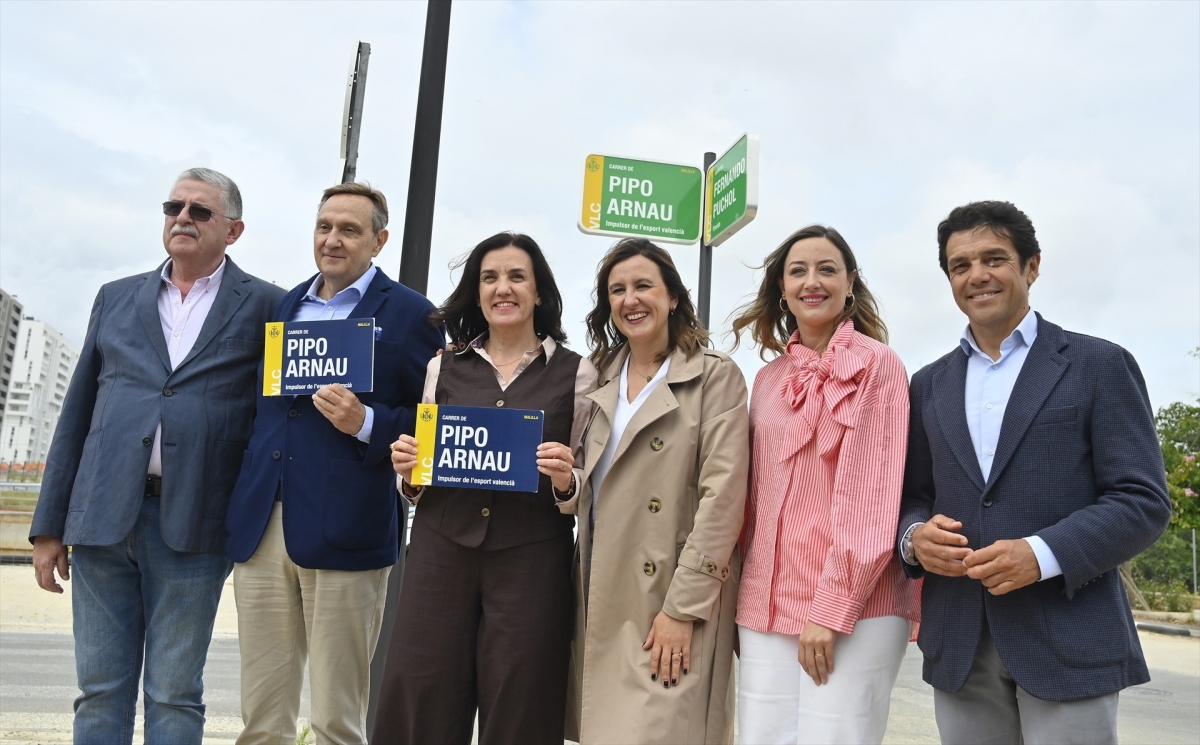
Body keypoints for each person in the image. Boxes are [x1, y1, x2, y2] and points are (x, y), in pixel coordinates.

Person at [897, 200, 1171, 744]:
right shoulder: (928, 384)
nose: (977, 275)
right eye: (960, 265)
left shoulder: (1099, 365)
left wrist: (1042, 555)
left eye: (994, 258)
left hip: (1067, 637)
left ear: (1032, 266)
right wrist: (914, 539)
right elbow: (913, 495)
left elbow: (1142, 501)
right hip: (959, 642)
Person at [28, 168, 283, 745]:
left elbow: (273, 422)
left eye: (199, 211)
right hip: (100, 522)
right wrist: (48, 527)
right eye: (174, 207)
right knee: (99, 691)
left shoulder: (268, 304)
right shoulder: (115, 297)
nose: (182, 218)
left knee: (173, 692)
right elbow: (77, 415)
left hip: (194, 525)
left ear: (234, 231)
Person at [223, 183, 443, 745]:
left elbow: (434, 423)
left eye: (349, 229)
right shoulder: (284, 305)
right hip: (263, 524)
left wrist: (365, 422)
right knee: (260, 715)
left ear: (379, 240)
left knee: (337, 718)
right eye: (324, 227)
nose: (333, 240)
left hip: (349, 527)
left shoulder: (413, 315)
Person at [371, 231, 597, 744]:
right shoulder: (443, 365)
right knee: (420, 692)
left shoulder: (579, 374)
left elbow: (587, 482)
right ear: (476, 293)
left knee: (522, 700)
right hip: (440, 552)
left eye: (518, 277)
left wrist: (567, 480)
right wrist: (409, 475)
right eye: (489, 278)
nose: (503, 288)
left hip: (532, 559)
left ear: (539, 292)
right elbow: (421, 481)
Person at [730, 225, 921, 744]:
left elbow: (873, 499)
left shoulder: (880, 366)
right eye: (798, 271)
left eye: (827, 269)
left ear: (850, 282)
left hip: (854, 607)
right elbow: (752, 501)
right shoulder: (768, 381)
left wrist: (831, 609)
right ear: (782, 289)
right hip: (764, 606)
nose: (812, 282)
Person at [561, 237, 749, 745]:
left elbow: (724, 497)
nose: (630, 299)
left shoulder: (715, 376)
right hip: (601, 587)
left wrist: (682, 609)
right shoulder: (596, 374)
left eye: (644, 285)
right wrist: (564, 486)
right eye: (617, 290)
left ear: (672, 297)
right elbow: (585, 483)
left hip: (670, 592)